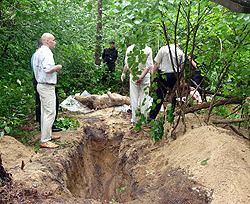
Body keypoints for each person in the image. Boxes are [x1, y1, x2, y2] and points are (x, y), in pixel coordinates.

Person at [33, 33, 62, 148]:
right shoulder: (46, 52)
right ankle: (45, 140)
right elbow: (48, 69)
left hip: (41, 84)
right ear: (47, 41)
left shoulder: (38, 52)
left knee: (45, 112)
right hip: (46, 86)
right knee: (50, 112)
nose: (55, 42)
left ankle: (47, 135)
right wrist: (57, 67)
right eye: (53, 40)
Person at [148, 44, 185, 122]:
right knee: (173, 95)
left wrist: (153, 76)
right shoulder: (180, 52)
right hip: (175, 75)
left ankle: (152, 116)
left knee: (159, 95)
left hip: (164, 75)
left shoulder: (163, 49)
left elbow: (156, 64)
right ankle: (171, 115)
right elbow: (182, 68)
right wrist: (180, 79)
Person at [121, 44, 153, 123]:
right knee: (145, 97)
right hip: (145, 76)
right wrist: (141, 76)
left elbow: (128, 64)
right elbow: (149, 65)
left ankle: (135, 119)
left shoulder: (130, 48)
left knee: (134, 97)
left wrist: (135, 76)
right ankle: (143, 119)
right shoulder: (148, 49)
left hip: (133, 75)